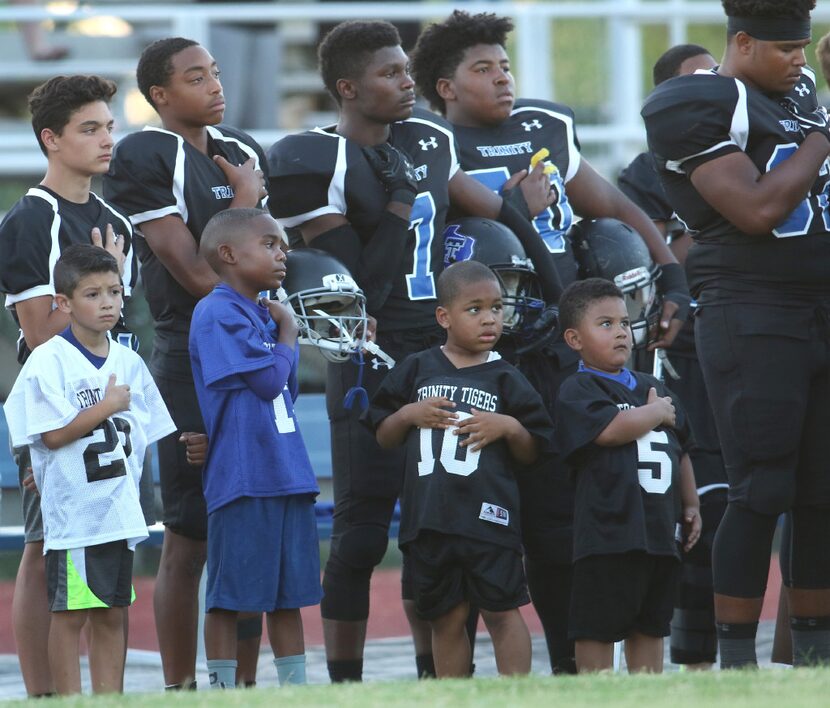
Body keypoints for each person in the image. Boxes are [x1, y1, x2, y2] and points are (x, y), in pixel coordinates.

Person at [267, 19, 563, 683]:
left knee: (440, 522)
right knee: (364, 527)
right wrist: (400, 199)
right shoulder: (316, 159)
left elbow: (498, 214)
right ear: (348, 88)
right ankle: (344, 680)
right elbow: (362, 284)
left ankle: (436, 676)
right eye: (389, 73)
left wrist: (557, 289)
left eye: (407, 70)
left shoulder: (429, 138)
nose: (407, 83)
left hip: (441, 350)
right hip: (372, 353)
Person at [408, 9, 692, 674]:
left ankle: (571, 666)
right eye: (482, 69)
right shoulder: (434, 147)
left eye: (504, 66)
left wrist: (673, 275)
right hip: (494, 353)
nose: (502, 78)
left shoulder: (542, 128)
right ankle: (446, 673)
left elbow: (617, 208)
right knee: (492, 520)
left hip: (564, 351)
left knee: (570, 516)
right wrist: (518, 214)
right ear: (446, 86)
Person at [642, 0, 830, 669]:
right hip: (752, 309)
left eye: (806, 48)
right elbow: (756, 209)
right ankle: (736, 662)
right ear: (742, 42)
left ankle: (813, 657)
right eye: (786, 49)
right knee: (762, 489)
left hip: (818, 307)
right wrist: (823, 130)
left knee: (821, 493)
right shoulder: (695, 101)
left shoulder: (802, 95)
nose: (799, 61)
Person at [103, 37, 269, 689]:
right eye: (195, 77)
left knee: (248, 523)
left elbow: (264, 260)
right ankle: (179, 684)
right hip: (192, 355)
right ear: (161, 95)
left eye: (216, 73)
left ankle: (244, 683)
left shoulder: (238, 152)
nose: (214, 86)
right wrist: (244, 202)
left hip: (249, 353)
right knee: (190, 533)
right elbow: (198, 271)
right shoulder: (152, 151)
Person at [0, 73, 137, 697]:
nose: (107, 138)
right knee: (44, 544)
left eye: (109, 125)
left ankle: (101, 688)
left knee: (106, 543)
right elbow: (38, 330)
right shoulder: (32, 219)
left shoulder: (114, 220)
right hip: (57, 407)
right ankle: (43, 690)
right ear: (51, 139)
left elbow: (116, 321)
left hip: (113, 406)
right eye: (90, 128)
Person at [365, 260, 553, 678]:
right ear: (443, 317)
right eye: (475, 309)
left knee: (502, 612)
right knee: (445, 618)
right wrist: (408, 414)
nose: (489, 318)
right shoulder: (415, 368)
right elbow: (382, 434)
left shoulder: (507, 377)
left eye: (497, 308)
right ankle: (453, 695)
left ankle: (518, 696)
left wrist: (508, 426)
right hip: (430, 518)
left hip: (489, 518)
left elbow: (533, 450)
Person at [3, 244, 175, 694]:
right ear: (63, 302)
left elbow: (142, 439)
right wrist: (106, 405)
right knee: (71, 614)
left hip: (116, 511)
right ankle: (68, 699)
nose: (108, 304)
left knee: (113, 613)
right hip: (76, 516)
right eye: (93, 294)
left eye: (115, 292)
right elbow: (52, 435)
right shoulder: (49, 360)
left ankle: (108, 698)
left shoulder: (129, 361)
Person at [618, 44, 727, 670]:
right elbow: (657, 266)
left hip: (761, 338)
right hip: (690, 357)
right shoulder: (644, 173)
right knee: (703, 516)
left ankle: (798, 660)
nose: (714, 88)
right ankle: (695, 663)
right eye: (698, 80)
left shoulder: (758, 154)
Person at [189, 208, 321, 688]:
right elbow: (268, 382)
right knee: (229, 595)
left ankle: (296, 690)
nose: (282, 253)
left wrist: (282, 331)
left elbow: (285, 390)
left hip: (287, 471)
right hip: (245, 476)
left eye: (282, 245)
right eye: (269, 243)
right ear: (228, 254)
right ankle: (221, 690)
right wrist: (288, 333)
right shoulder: (218, 310)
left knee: (289, 596)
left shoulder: (263, 311)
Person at [554, 277, 700, 673]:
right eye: (605, 324)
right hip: (607, 537)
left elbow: (680, 451)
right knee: (596, 630)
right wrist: (654, 413)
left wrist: (690, 504)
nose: (620, 331)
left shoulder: (654, 386)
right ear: (574, 339)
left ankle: (646, 696)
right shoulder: (579, 389)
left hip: (658, 534)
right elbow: (609, 431)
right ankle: (596, 696)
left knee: (650, 628)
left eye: (623, 322)